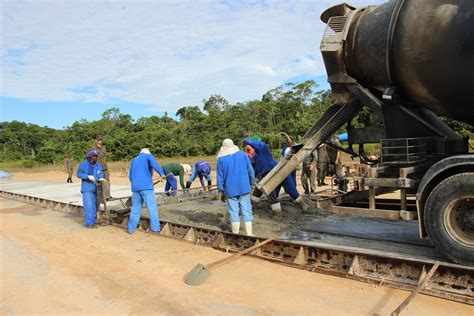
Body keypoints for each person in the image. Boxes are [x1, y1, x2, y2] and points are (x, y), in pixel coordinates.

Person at [243, 137, 308, 215]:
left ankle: (278, 212)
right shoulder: (255, 156)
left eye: (249, 148)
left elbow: (256, 144)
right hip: (268, 173)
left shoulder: (263, 147)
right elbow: (253, 171)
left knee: (283, 191)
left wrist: (246, 140)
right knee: (258, 191)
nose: (248, 150)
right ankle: (253, 206)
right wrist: (252, 181)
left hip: (275, 172)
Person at [217, 139, 255, 235]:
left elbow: (220, 178)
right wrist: (251, 182)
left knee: (233, 211)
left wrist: (221, 191)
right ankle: (249, 234)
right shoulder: (242, 154)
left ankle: (235, 234)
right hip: (244, 187)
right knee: (246, 210)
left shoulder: (221, 159)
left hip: (230, 190)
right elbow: (250, 170)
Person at [128, 148, 165, 234]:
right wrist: (162, 174)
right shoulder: (148, 156)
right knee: (152, 208)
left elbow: (130, 176)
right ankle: (155, 229)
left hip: (135, 188)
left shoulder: (134, 160)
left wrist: (136, 183)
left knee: (135, 209)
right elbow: (155, 164)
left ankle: (131, 229)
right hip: (147, 187)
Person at [76, 150, 105, 228]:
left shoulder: (98, 165)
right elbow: (79, 174)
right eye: (96, 156)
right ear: (91, 157)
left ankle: (94, 221)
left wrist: (101, 178)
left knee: (95, 206)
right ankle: (89, 223)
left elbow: (101, 174)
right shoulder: (83, 164)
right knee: (89, 206)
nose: (97, 158)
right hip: (87, 188)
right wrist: (87, 176)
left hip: (96, 188)